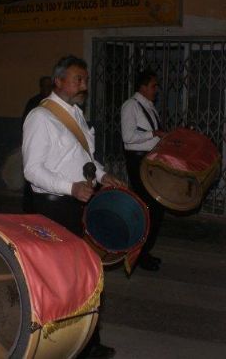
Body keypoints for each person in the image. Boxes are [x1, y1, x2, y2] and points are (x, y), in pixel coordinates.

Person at [22, 55, 122, 359]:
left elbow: (83, 161)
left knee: (88, 277)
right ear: (59, 81)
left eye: (86, 80)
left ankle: (89, 342)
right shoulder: (41, 118)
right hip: (55, 209)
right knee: (63, 282)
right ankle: (63, 346)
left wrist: (104, 176)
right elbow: (32, 170)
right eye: (78, 79)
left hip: (79, 203)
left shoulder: (76, 114)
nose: (84, 85)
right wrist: (70, 187)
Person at [120, 69, 167, 271]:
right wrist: (153, 133)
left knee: (155, 209)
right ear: (143, 87)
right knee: (148, 209)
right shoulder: (131, 106)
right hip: (138, 162)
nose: (156, 90)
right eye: (153, 85)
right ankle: (138, 254)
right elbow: (128, 137)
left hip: (150, 161)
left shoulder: (148, 107)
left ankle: (144, 252)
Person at [21, 76, 53, 211]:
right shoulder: (34, 102)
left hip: (50, 149)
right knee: (32, 177)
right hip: (35, 146)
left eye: (48, 86)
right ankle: (29, 209)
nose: (46, 89)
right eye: (44, 86)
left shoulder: (54, 103)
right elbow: (25, 124)